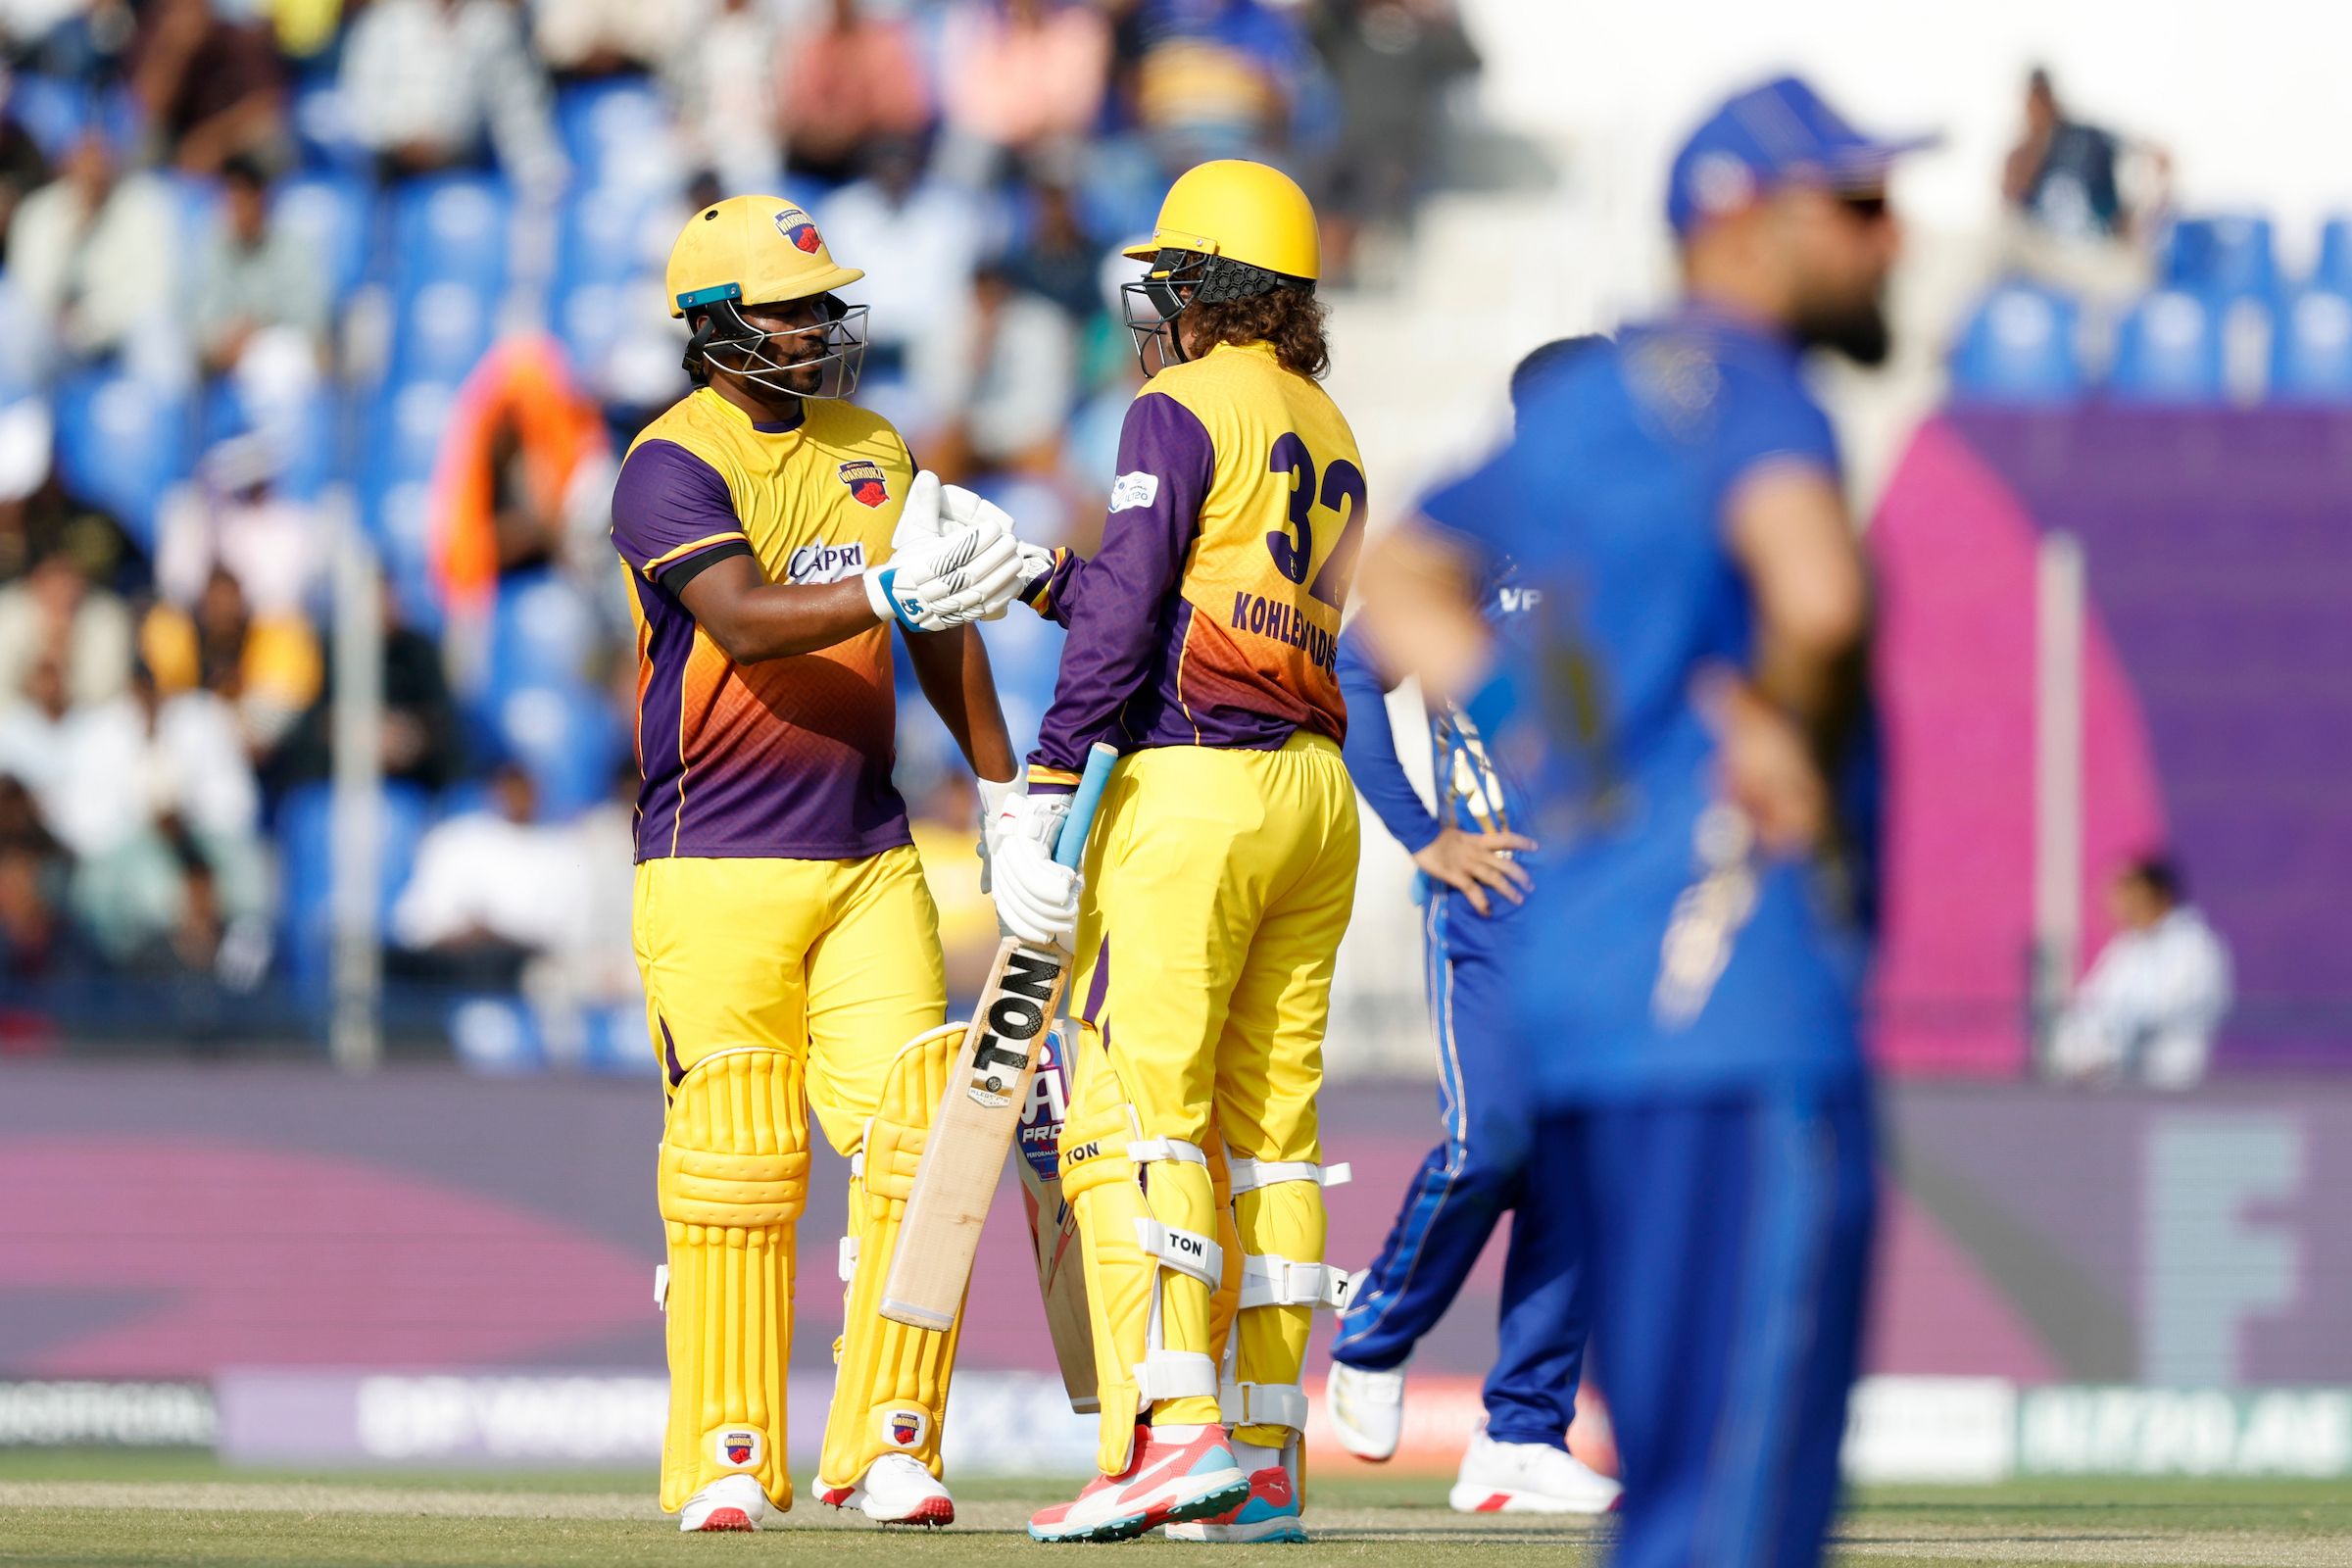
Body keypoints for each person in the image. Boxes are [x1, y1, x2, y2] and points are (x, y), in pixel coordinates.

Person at [1356, 75, 1908, 1568]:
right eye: (1858, 207)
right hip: (1743, 1004)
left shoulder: (1588, 405)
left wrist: (1535, 714)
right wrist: (1778, 723)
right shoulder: (1745, 388)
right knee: (1737, 1513)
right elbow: (1819, 593)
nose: (1891, 239)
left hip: (1599, 1010)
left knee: (1672, 1497)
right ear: (1748, 221)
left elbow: (1396, 581)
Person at [611, 192, 1038, 1532]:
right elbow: (739, 619)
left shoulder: (877, 446)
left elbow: (943, 627)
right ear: (715, 325)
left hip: (866, 850)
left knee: (929, 1131)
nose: (815, 328)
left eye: (821, 305)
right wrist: (884, 589)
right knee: (733, 1158)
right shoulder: (667, 462)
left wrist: (1006, 789)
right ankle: (727, 1453)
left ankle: (890, 1439)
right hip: (712, 857)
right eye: (789, 310)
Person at [994, 159, 1364, 1544]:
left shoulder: (1175, 403)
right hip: (1314, 796)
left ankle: (1174, 1430)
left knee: (1141, 1108)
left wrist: (1046, 775)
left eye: (1169, 285)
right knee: (1274, 1141)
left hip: (1196, 792)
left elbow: (1136, 613)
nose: (1155, 311)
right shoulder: (1327, 418)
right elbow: (1195, 595)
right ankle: (1265, 1459)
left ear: (1204, 289)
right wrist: (1038, 573)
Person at [1323, 336, 1621, 1516]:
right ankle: (1375, 1330)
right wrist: (1425, 836)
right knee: (1489, 1139)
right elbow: (1352, 682)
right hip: (1493, 908)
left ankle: (1520, 1437)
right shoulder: (1469, 541)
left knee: (1582, 1173)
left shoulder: (1641, 540)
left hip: (1606, 913)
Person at [2052, 857, 2232, 1090]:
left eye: (2130, 893)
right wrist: (2073, 1050)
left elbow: (2158, 1018)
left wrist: (2103, 1052)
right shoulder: (2124, 950)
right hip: (2112, 1089)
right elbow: (2089, 1008)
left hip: (2168, 1089)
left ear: (2157, 895)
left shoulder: (2196, 949)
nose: (2118, 903)